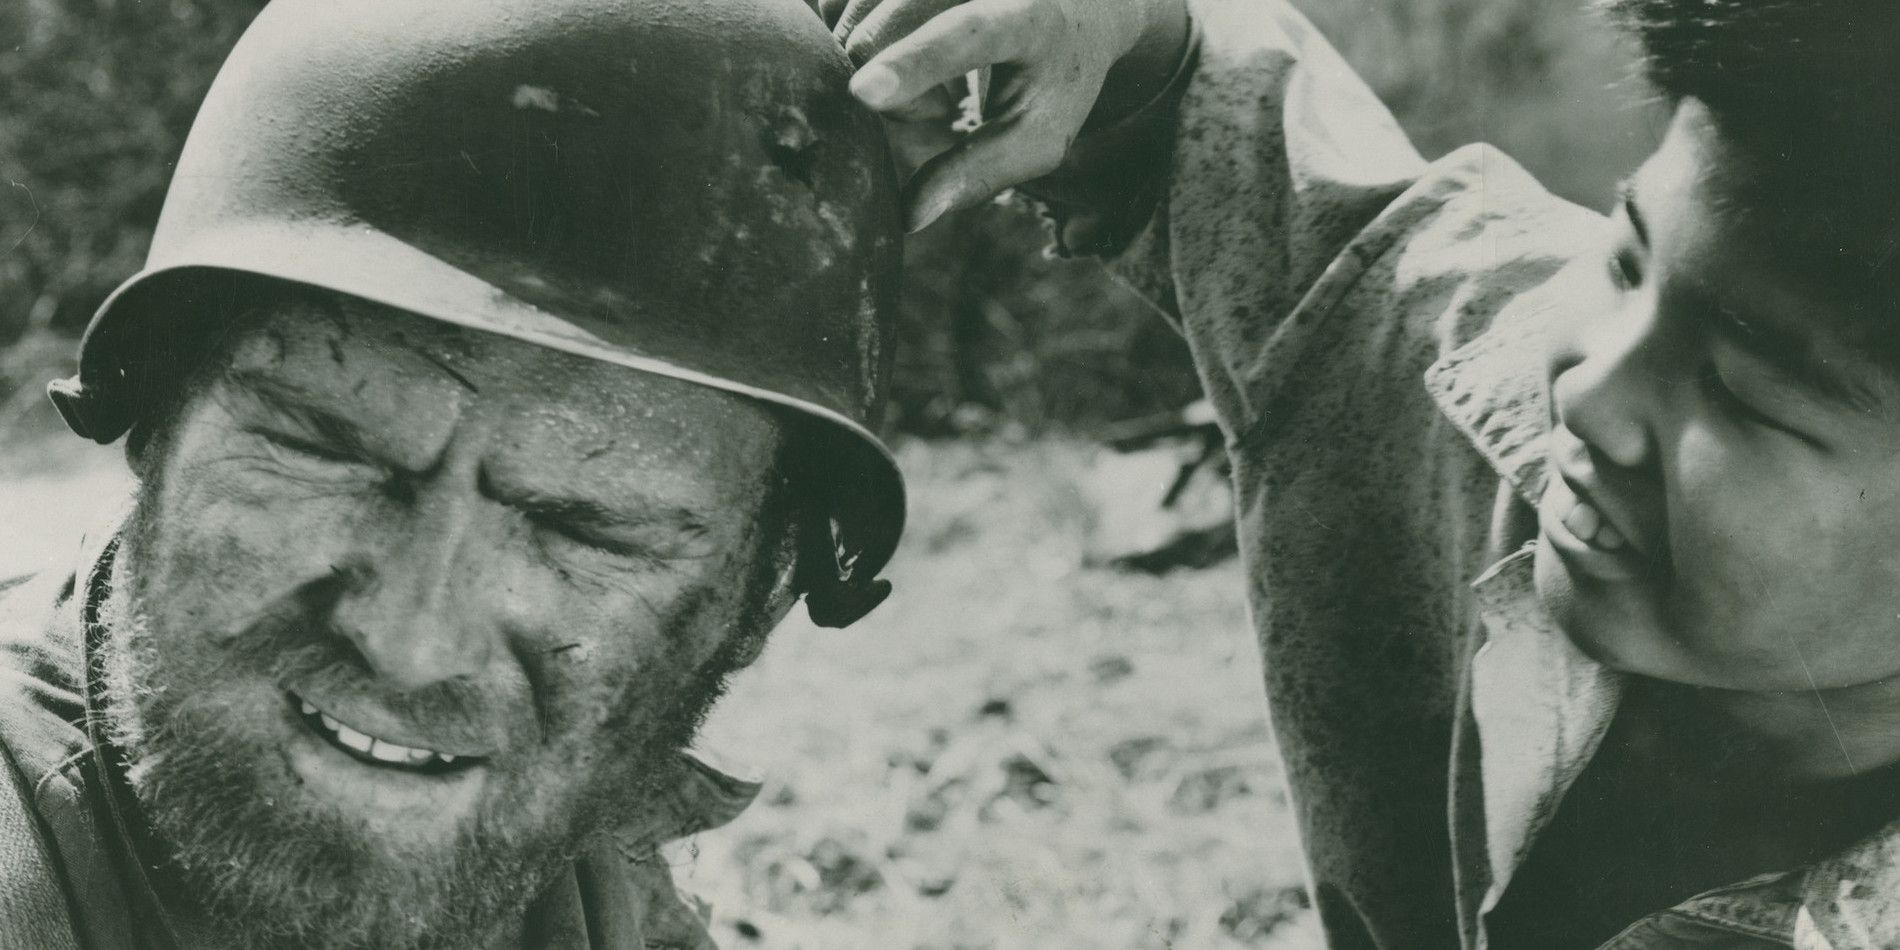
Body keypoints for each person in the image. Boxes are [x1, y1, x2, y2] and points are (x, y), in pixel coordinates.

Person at [831, 0, 1900, 947]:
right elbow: (1218, 132)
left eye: (1744, 393)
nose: (1587, 394)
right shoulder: (1484, 379)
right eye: (1626, 259)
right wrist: (1104, 37)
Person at [1, 0, 907, 948]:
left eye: (585, 529)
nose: (409, 643)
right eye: (326, 449)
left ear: (761, 598)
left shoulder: (596, 855)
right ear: (155, 421)